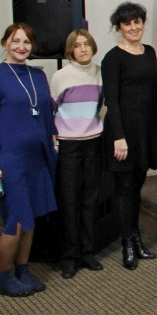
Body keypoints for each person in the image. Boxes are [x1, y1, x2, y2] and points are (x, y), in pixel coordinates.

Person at [101, 2, 157, 270]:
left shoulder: (149, 52)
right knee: (124, 189)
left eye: (138, 22)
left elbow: (154, 92)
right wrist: (119, 136)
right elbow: (111, 101)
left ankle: (137, 240)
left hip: (145, 129)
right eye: (128, 23)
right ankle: (126, 243)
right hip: (124, 132)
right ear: (119, 28)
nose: (134, 27)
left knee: (138, 187)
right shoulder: (112, 58)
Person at [0, 23, 57, 296]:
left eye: (26, 42)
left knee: (31, 216)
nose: (21, 47)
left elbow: (45, 114)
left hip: (38, 156)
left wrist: (52, 145)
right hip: (10, 158)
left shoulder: (38, 75)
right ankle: (4, 275)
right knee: (17, 218)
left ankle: (22, 269)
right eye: (15, 41)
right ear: (5, 43)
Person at [50, 29, 104, 279]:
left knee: (89, 200)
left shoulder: (100, 73)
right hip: (69, 145)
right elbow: (52, 110)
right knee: (70, 201)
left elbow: (100, 105)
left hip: (93, 143)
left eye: (87, 44)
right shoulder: (60, 76)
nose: (83, 49)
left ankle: (87, 252)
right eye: (78, 45)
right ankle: (69, 257)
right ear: (70, 50)